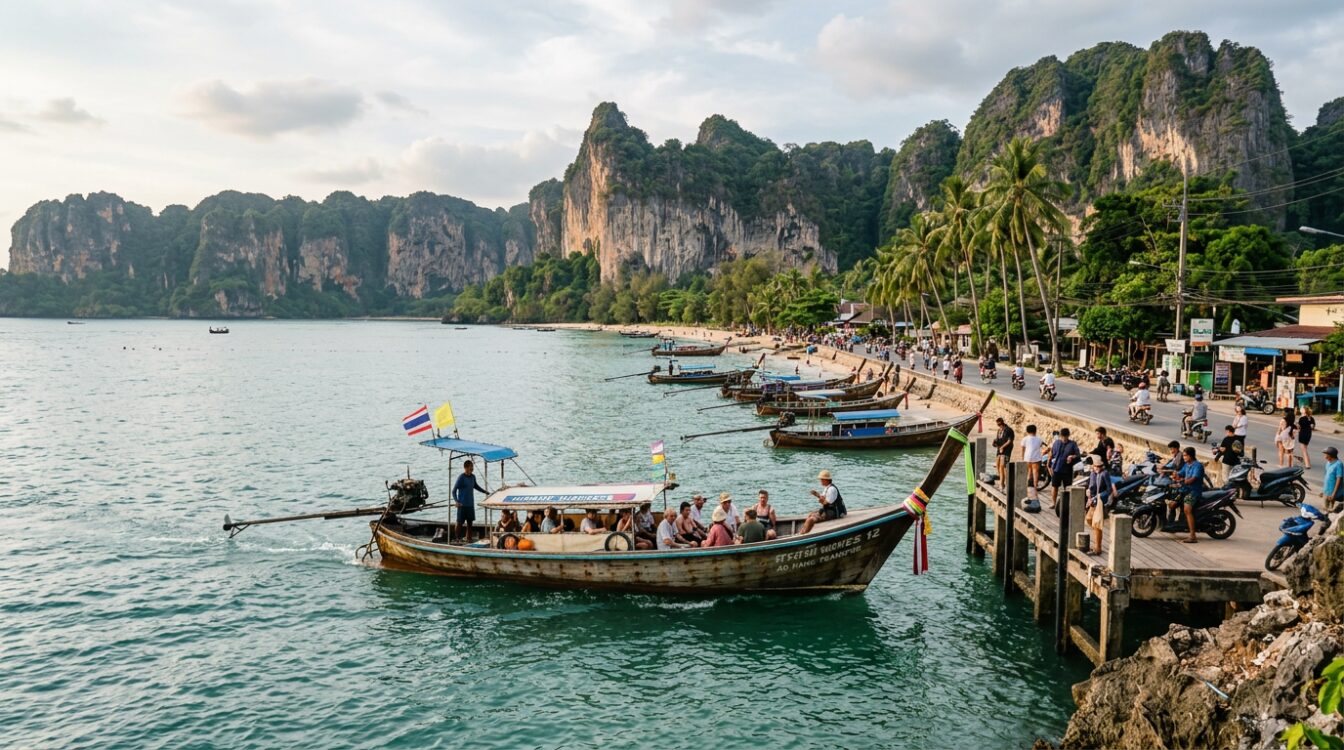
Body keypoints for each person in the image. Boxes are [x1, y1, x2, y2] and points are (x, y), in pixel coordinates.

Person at [1084, 457, 1117, 554]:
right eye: (1096, 466)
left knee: (1097, 524)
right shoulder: (1092, 474)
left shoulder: (1104, 474)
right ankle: (1096, 543)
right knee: (1089, 520)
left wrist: (1099, 496)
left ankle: (1097, 548)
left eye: (1099, 466)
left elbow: (1108, 490)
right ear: (1093, 466)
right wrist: (1088, 493)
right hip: (1093, 502)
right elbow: (1089, 485)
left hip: (1100, 502)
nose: (1097, 468)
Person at [453, 459, 489, 542]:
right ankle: (456, 538)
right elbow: (454, 491)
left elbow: (476, 486)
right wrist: (457, 501)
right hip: (462, 505)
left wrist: (485, 492)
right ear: (465, 468)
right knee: (459, 523)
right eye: (470, 467)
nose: (472, 469)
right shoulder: (461, 477)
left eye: (472, 467)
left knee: (470, 523)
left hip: (470, 505)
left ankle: (468, 538)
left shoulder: (473, 477)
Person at [1174, 447, 1205, 543]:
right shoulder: (1187, 465)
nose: (1184, 457)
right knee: (1171, 501)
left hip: (1194, 491)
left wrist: (1185, 481)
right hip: (1185, 489)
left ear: (1190, 456)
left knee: (1187, 509)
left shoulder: (1198, 466)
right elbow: (1180, 473)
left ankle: (1193, 535)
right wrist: (1176, 475)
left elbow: (1194, 479)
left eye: (1185, 455)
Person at [800, 469, 842, 534]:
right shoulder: (827, 487)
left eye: (821, 479)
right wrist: (816, 494)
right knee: (811, 514)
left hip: (832, 513)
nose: (820, 481)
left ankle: (803, 534)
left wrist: (822, 501)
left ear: (826, 480)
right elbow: (823, 498)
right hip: (827, 510)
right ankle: (803, 531)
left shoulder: (832, 489)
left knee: (811, 519)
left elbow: (826, 502)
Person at [1048, 428, 1081, 511]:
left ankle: (1067, 505)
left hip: (1067, 470)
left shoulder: (1073, 444)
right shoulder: (1056, 443)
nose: (1063, 438)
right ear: (1060, 436)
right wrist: (1049, 465)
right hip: (1056, 468)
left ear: (1068, 436)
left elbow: (1078, 455)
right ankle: (1053, 502)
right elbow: (1051, 454)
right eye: (1062, 437)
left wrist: (1072, 457)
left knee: (1067, 488)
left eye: (1065, 437)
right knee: (1054, 486)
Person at [1020, 424, 1043, 501]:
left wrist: (1022, 458)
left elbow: (1023, 449)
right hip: (1036, 458)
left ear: (1027, 431)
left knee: (1029, 473)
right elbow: (1039, 447)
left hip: (1027, 458)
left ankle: (1027, 488)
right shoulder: (1039, 439)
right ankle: (1035, 489)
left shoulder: (1025, 439)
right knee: (1035, 473)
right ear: (1035, 431)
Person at [992, 417, 1015, 482]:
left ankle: (1004, 482)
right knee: (997, 464)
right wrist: (995, 443)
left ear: (1003, 423)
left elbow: (1009, 441)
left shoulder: (1009, 430)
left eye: (999, 425)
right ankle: (1001, 479)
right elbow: (998, 439)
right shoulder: (999, 430)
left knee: (1003, 466)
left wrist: (1002, 447)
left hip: (1007, 449)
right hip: (999, 449)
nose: (999, 426)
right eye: (998, 425)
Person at [1323, 446, 1343, 510]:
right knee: (1325, 508)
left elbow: (1339, 479)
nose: (1324, 456)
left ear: (1330, 455)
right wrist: (1323, 491)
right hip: (1327, 491)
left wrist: (1334, 494)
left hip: (1333, 493)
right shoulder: (1328, 463)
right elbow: (1326, 477)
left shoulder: (1339, 464)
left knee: (1330, 509)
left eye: (1326, 454)